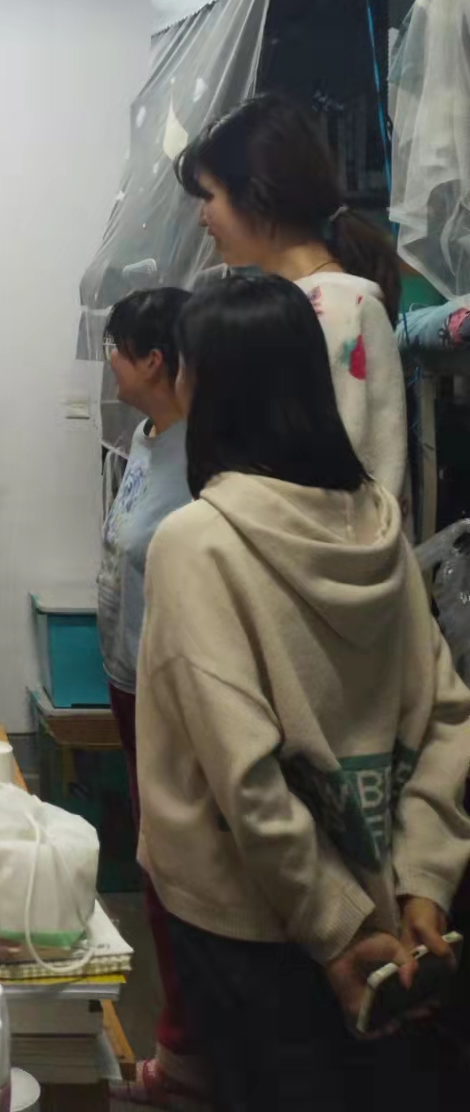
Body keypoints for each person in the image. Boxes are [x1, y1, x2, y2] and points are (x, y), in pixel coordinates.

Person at [137, 274, 470, 1111]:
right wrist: (422, 882)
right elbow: (445, 715)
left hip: (249, 920)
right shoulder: (376, 522)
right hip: (385, 899)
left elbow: (246, 780)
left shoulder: (197, 542)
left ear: (202, 384)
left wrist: (335, 929)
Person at [176, 92, 406, 498]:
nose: (201, 218)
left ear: (257, 195)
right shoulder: (304, 301)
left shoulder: (334, 311)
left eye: (209, 196)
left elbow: (327, 490)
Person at [96, 289, 205, 1110]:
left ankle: (190, 1055)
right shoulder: (147, 435)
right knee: (152, 858)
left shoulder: (205, 453)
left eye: (115, 349)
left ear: (153, 360)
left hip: (174, 690)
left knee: (177, 867)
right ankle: (185, 1044)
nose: (108, 362)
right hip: (127, 677)